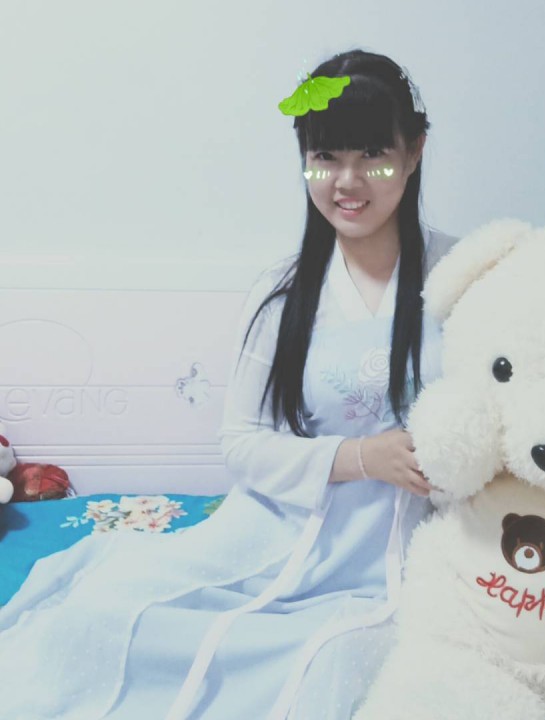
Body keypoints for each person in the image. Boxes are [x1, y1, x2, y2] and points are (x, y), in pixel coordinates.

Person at [0, 49, 456, 720]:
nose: (348, 181)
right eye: (325, 157)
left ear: (413, 152)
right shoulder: (282, 293)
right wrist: (360, 457)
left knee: (334, 667)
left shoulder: (464, 277)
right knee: (105, 618)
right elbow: (242, 444)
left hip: (407, 562)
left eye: (373, 156)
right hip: (278, 537)